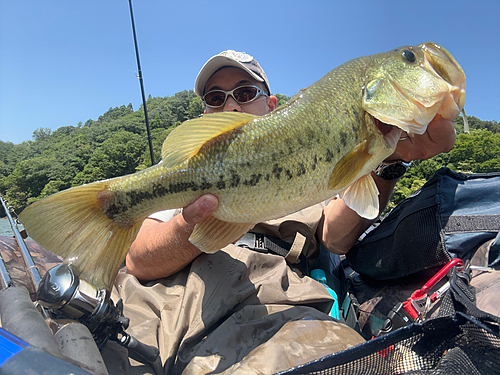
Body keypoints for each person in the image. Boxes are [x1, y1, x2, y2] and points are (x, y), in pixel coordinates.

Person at [107, 50, 457, 375]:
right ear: (204, 115)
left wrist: (388, 160)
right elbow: (140, 261)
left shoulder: (310, 160)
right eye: (215, 98)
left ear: (271, 106)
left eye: (244, 93)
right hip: (168, 301)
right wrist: (196, 220)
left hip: (278, 305)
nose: (230, 106)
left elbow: (335, 238)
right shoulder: (182, 170)